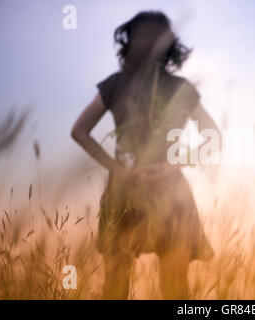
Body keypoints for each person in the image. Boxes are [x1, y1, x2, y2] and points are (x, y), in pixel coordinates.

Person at [71, 11, 219, 299]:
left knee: (170, 289)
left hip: (160, 192)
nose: (149, 41)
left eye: (154, 35)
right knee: (120, 287)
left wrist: (164, 166)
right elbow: (78, 130)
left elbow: (214, 137)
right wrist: (121, 169)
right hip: (130, 191)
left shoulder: (171, 87)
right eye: (144, 35)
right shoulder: (118, 84)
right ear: (132, 39)